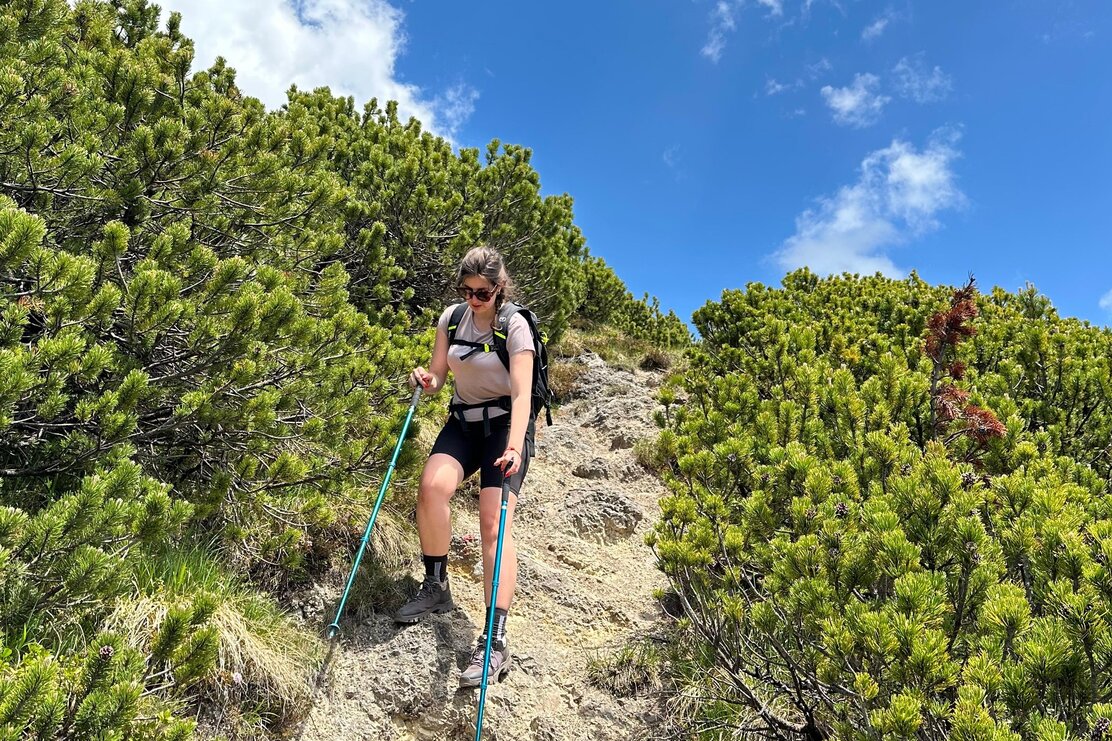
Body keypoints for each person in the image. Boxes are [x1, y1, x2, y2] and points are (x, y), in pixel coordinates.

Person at [395, 246, 535, 688]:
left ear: (499, 289)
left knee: (494, 522)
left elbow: (522, 396)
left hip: (504, 428)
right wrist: (425, 379)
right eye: (467, 291)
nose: (474, 299)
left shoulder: (516, 326)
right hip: (462, 423)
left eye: (482, 293)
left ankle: (494, 640)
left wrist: (514, 447)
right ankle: (436, 587)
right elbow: (439, 378)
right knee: (431, 489)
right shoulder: (451, 318)